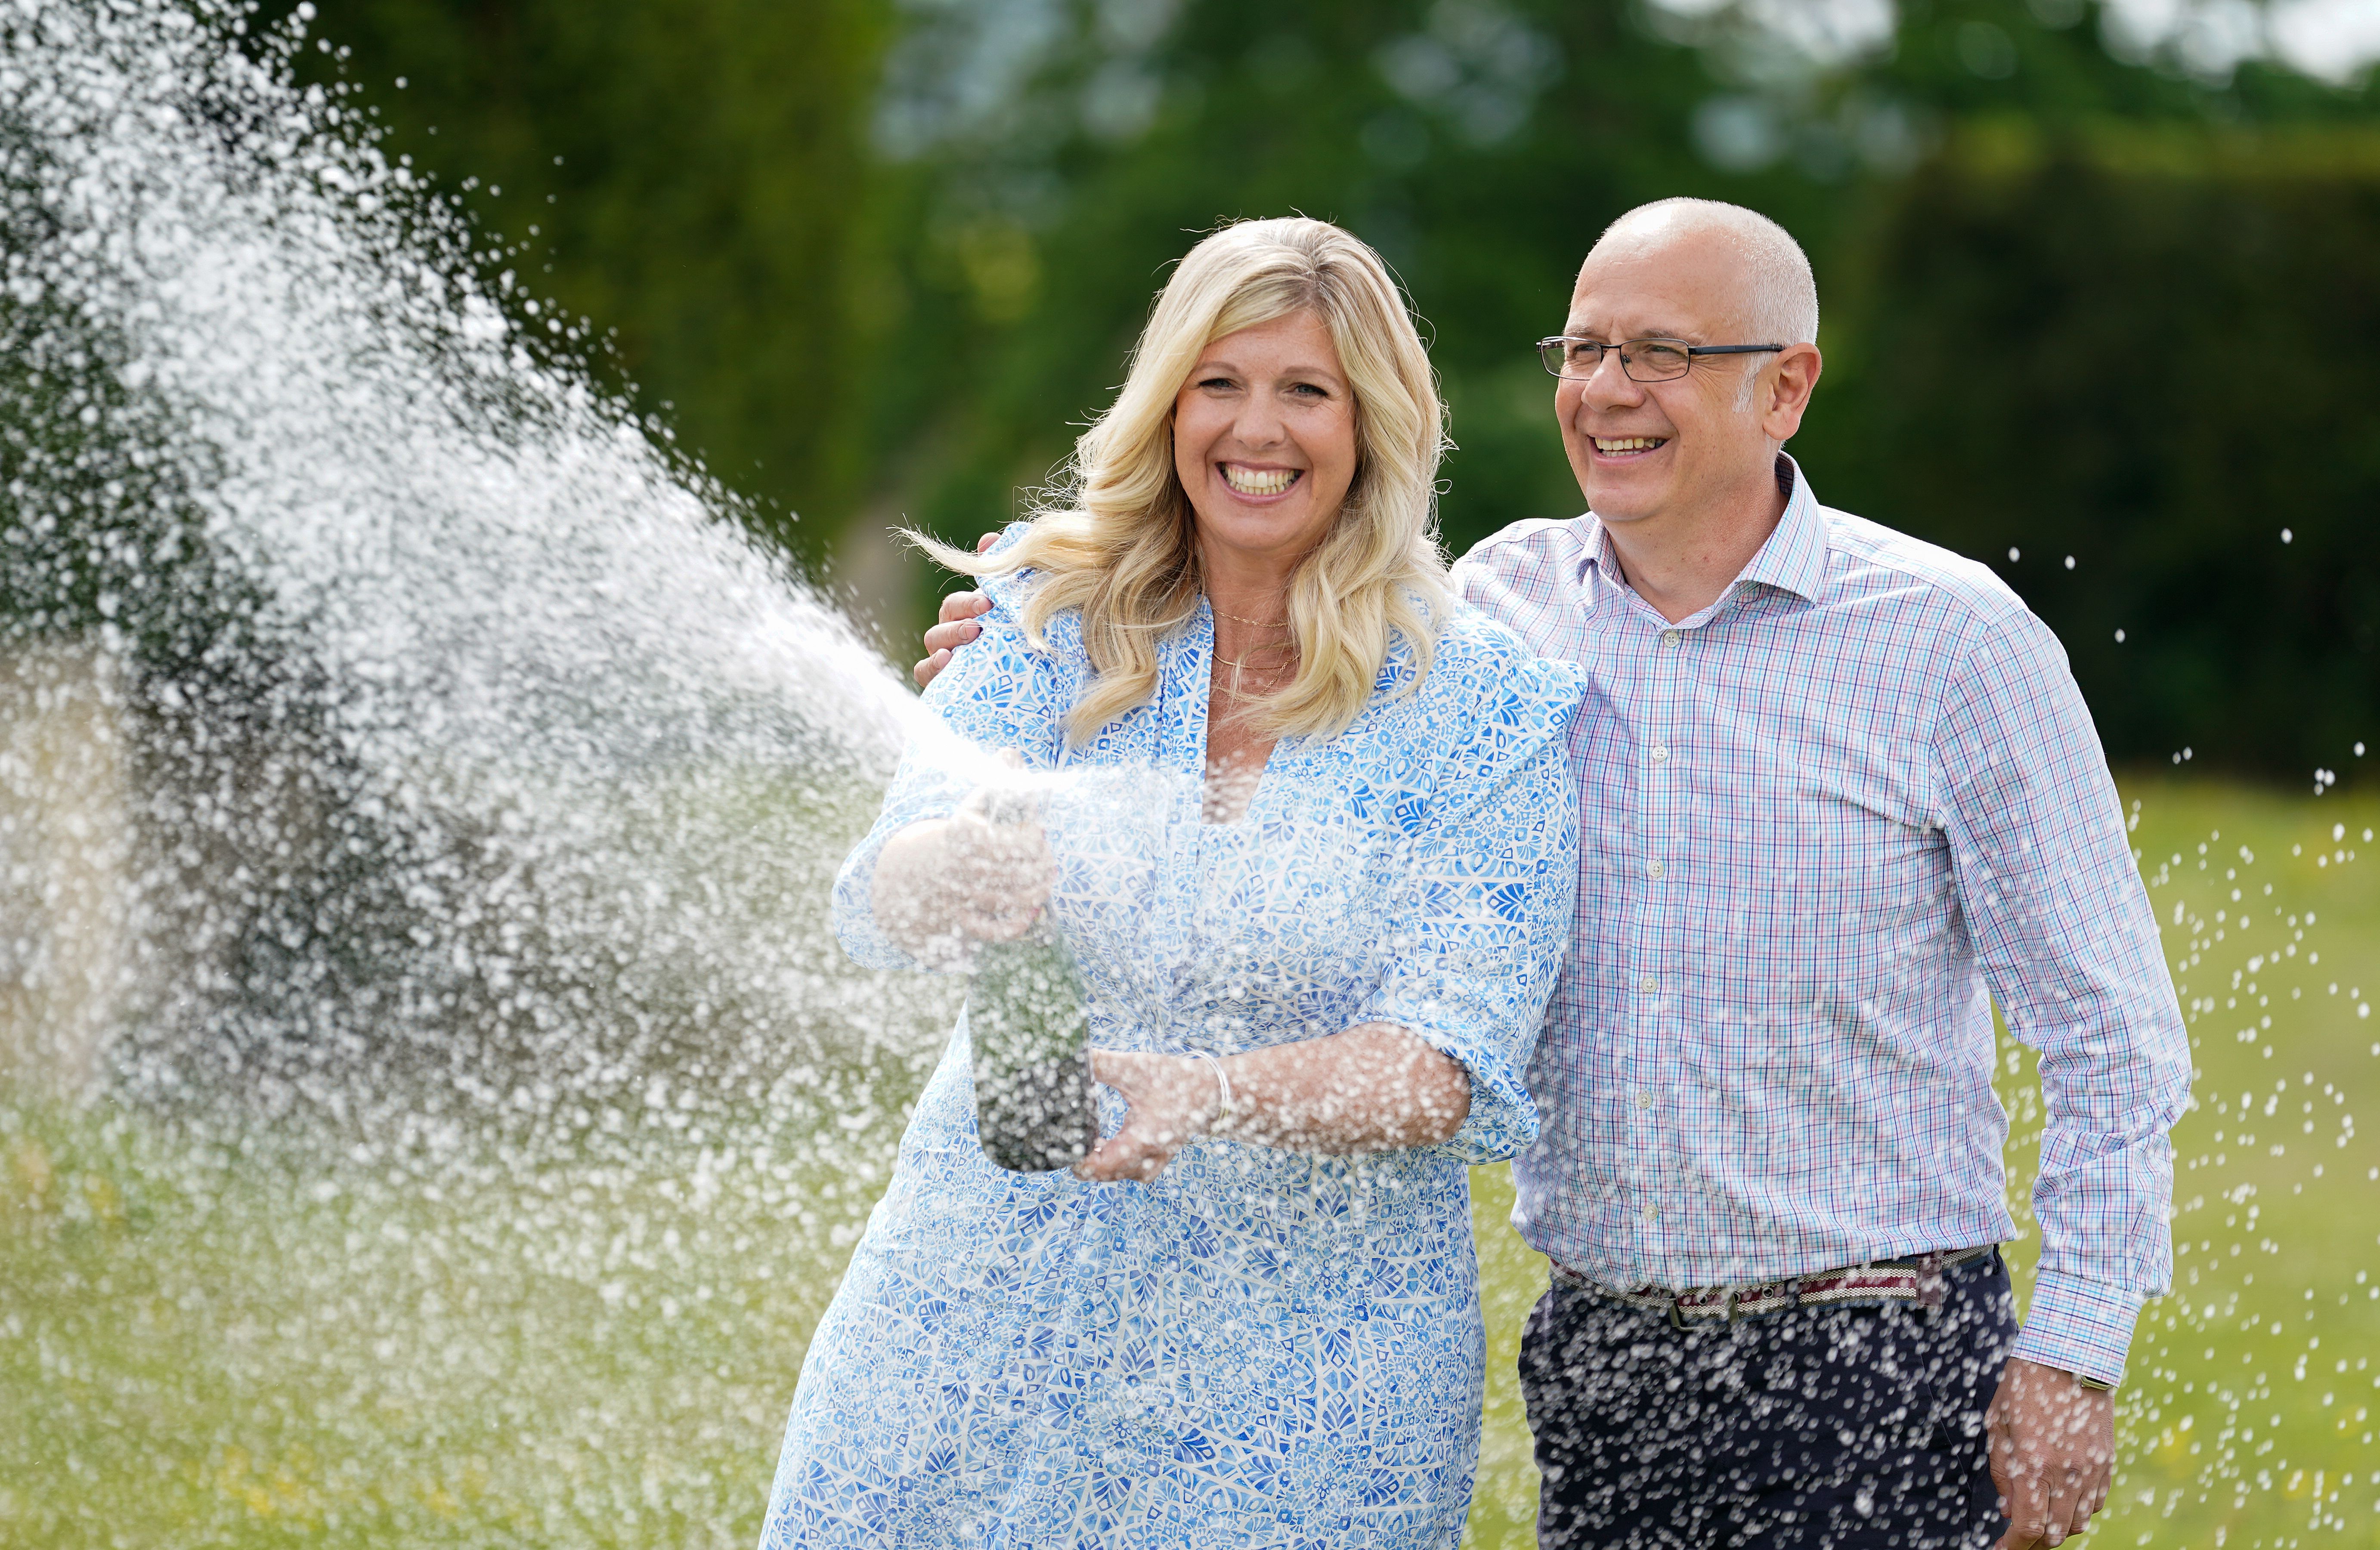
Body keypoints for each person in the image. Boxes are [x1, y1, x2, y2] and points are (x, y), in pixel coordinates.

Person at [917, 198, 2191, 1550]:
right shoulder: (1488, 613)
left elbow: (2109, 1040)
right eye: (1582, 350)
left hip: (1871, 1348)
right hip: (1598, 1357)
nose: (1604, 392)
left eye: (1661, 354)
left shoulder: (1951, 643)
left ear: (1787, 386)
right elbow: (1271, 635)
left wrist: (2072, 1360)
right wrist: (1026, 635)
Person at [761, 217, 1582, 1549]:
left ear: (1372, 423)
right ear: (1167, 406)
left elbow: (1447, 1061)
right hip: (973, 1319)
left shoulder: (1477, 707)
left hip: (1302, 1386)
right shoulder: (1047, 612)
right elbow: (884, 889)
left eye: (1304, 390)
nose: (1255, 428)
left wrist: (1206, 1093)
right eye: (1220, 383)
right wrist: (951, 866)